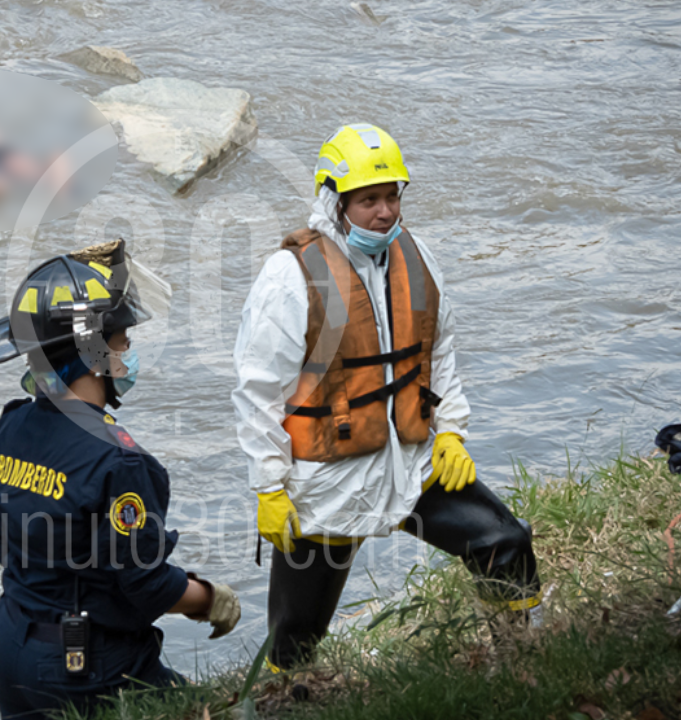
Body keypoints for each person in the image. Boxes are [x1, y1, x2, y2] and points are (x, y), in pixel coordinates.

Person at [232, 123, 541, 671]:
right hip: (327, 482)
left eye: (392, 196)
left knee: (504, 541)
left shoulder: (415, 256)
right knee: (296, 635)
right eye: (369, 200)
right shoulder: (289, 276)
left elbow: (438, 351)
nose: (385, 212)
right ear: (335, 200)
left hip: (414, 462)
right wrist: (268, 487)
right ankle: (286, 702)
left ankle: (518, 660)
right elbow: (258, 391)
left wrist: (451, 431)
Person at [0, 239, 241, 718]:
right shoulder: (120, 462)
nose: (128, 351)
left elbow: (5, 539)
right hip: (85, 666)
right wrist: (210, 600)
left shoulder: (7, 429)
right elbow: (148, 584)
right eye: (122, 341)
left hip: (8, 643)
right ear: (94, 353)